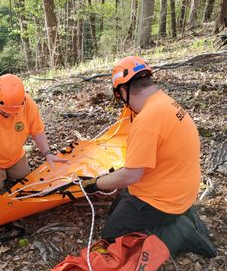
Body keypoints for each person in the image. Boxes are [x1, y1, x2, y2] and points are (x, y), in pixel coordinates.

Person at [82, 55, 215, 257]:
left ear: (123, 91)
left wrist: (96, 183)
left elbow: (131, 175)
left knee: (111, 235)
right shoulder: (165, 103)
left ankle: (180, 231)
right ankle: (179, 216)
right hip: (179, 187)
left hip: (164, 199)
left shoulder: (147, 120)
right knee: (119, 203)